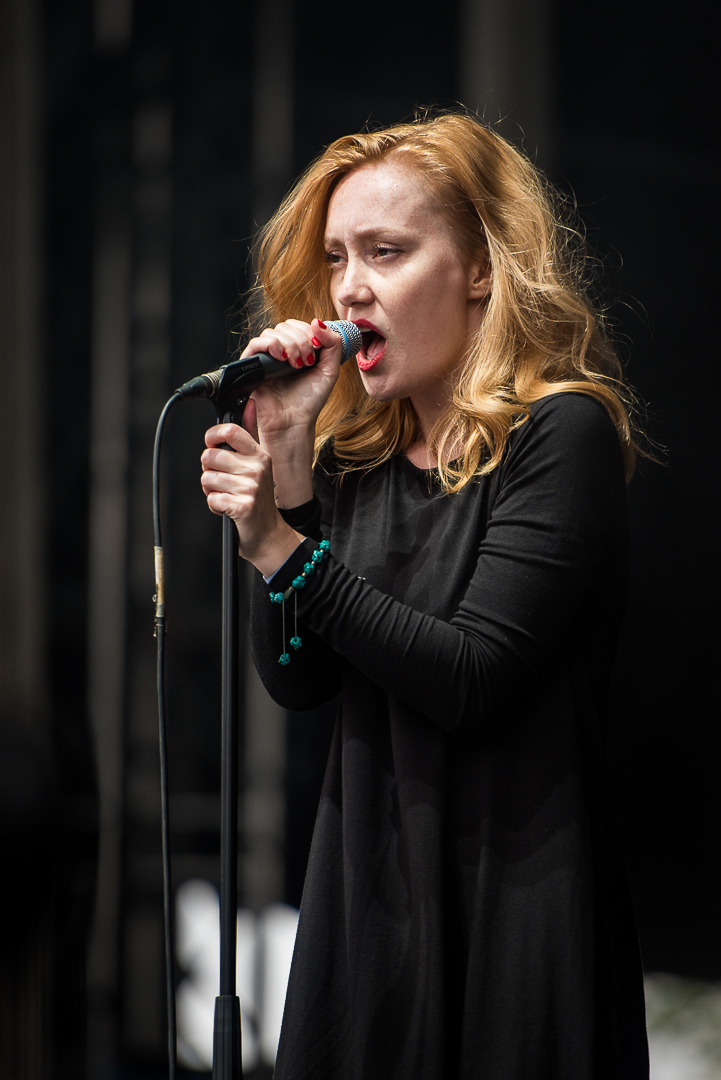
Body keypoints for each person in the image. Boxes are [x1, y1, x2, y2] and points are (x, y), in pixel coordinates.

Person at [200, 113, 649, 1079]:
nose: (348, 289)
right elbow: (298, 680)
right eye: (335, 258)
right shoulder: (357, 462)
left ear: (481, 267)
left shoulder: (560, 433)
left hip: (513, 915)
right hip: (368, 914)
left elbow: (471, 677)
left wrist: (279, 545)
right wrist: (289, 460)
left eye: (386, 252)